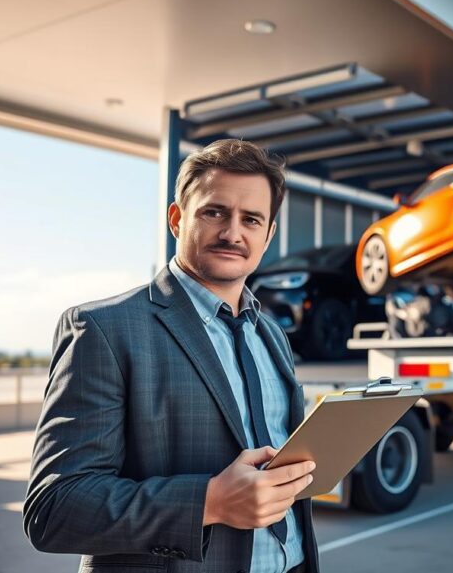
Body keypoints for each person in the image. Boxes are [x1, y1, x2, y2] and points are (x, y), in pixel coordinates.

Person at [24, 139, 320, 572]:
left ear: (268, 234)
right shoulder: (103, 329)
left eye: (251, 219)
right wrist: (209, 502)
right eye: (214, 212)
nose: (233, 233)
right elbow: (55, 508)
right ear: (177, 219)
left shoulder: (271, 334)